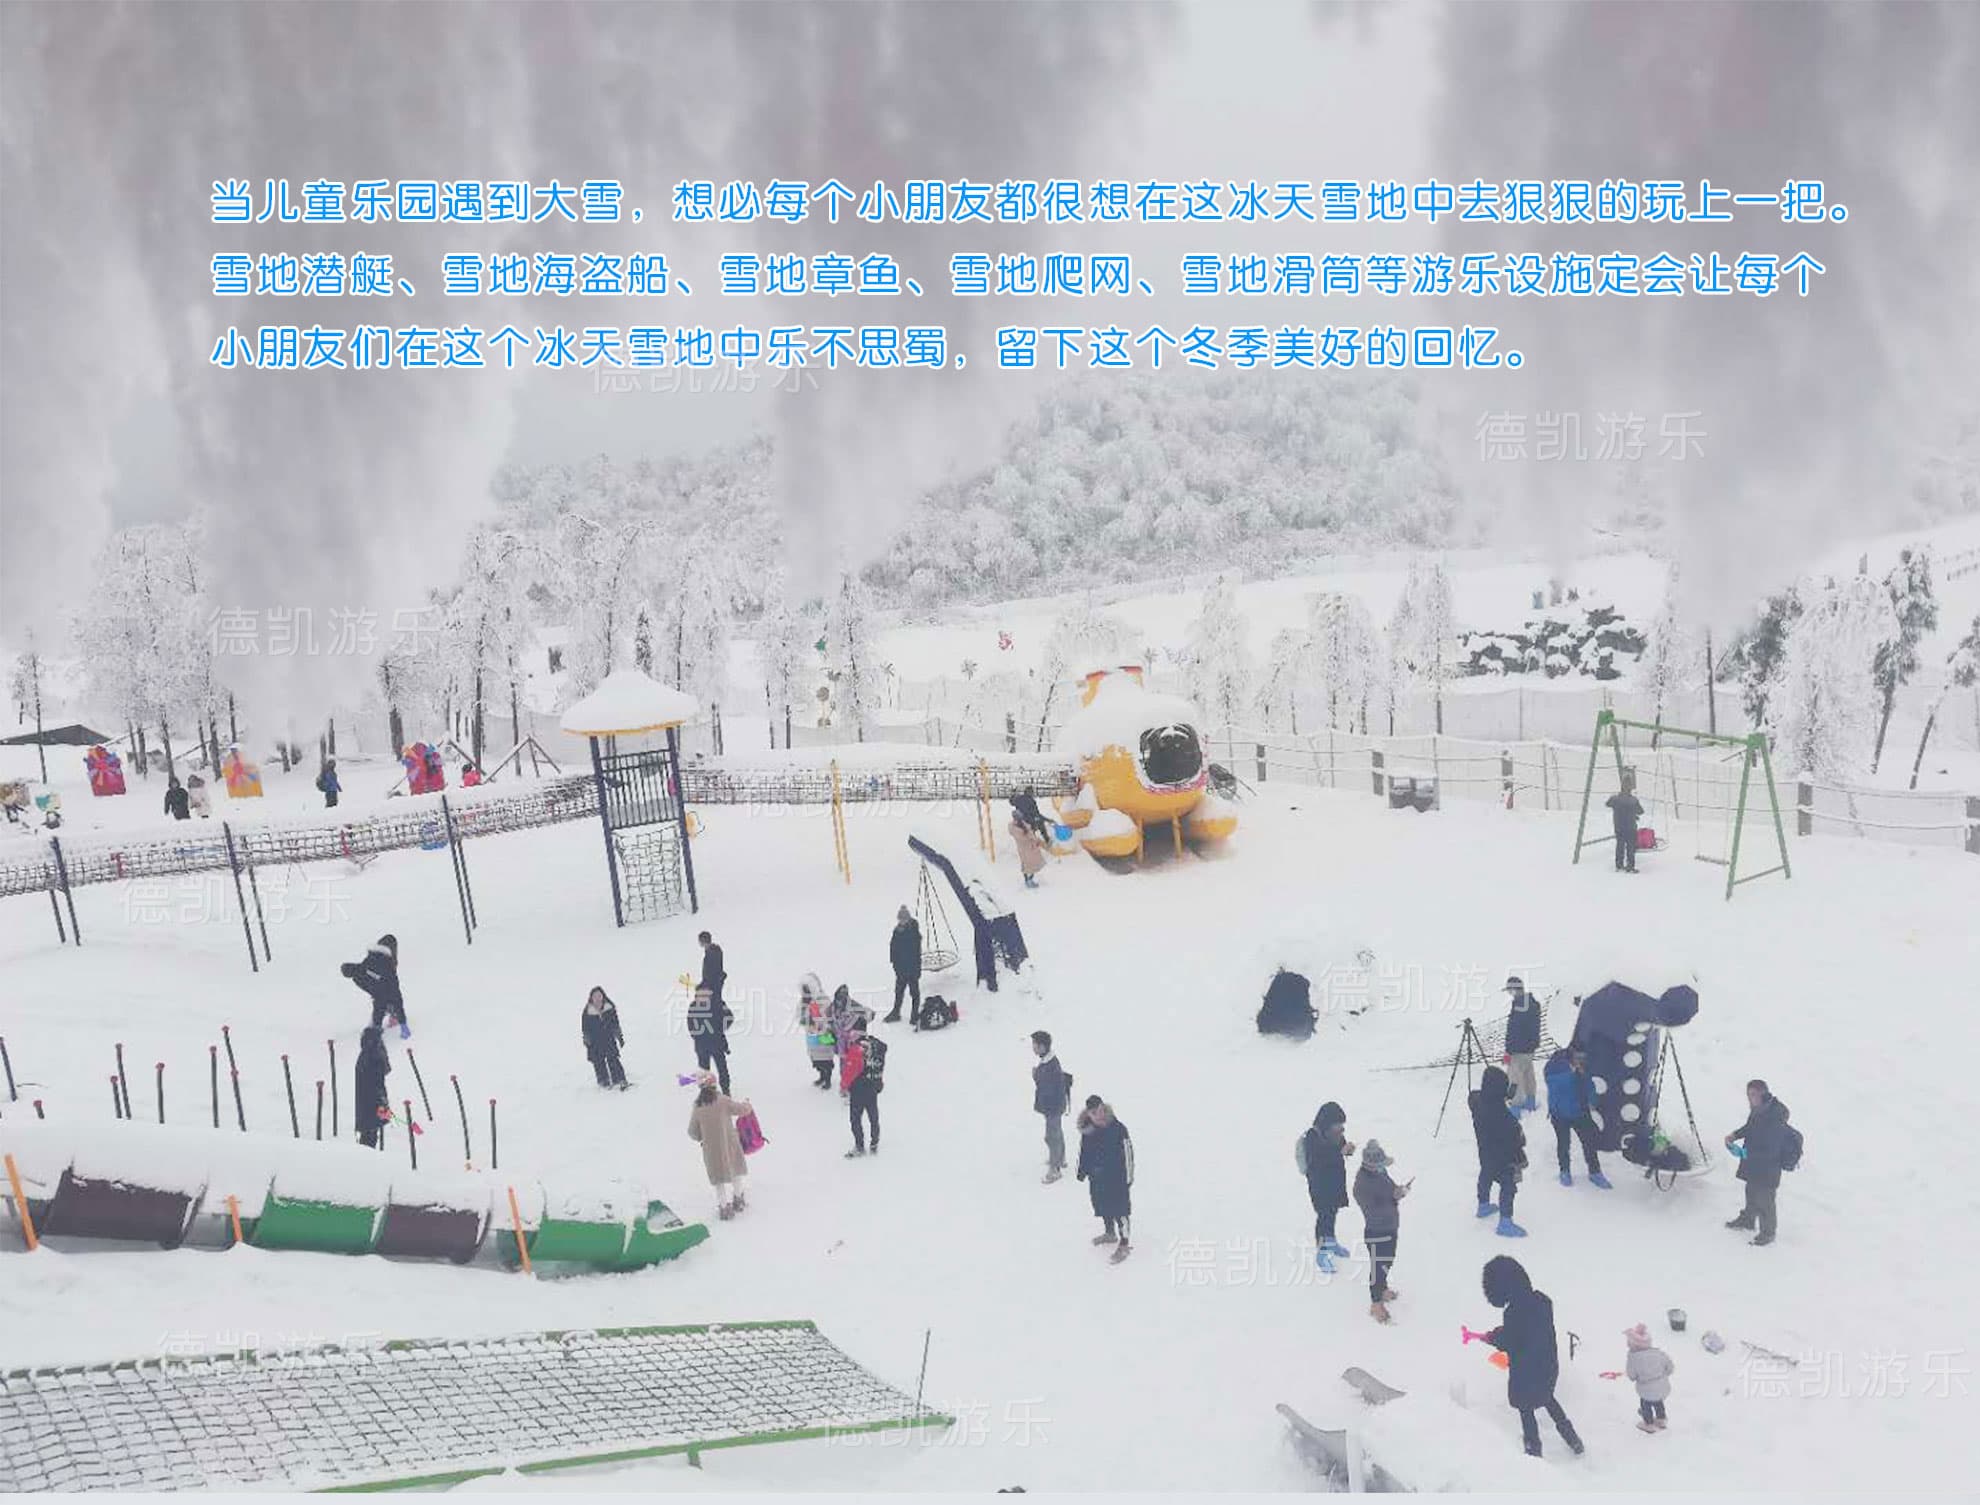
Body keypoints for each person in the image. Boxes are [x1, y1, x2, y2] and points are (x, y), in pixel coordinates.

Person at [1479, 1255, 1584, 1458]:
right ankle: (1573, 1439)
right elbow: (1527, 1330)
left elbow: (1511, 1339)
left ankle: (1533, 1451)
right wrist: (1502, 1333)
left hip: (1525, 1373)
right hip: (1547, 1366)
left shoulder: (1513, 1312)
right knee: (1548, 1399)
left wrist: (1494, 1338)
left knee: (1526, 1410)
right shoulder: (1542, 1302)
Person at [1724, 1078, 1793, 1246]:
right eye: (1748, 1094)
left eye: (1754, 1094)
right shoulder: (1759, 1109)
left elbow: (1771, 1149)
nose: (1750, 1098)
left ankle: (1768, 1233)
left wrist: (1745, 1153)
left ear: (1764, 1094)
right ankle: (1748, 1220)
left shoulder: (1775, 1117)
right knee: (1751, 1192)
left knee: (1765, 1200)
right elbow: (1750, 1128)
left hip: (1768, 1167)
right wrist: (1735, 1135)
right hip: (1754, 1163)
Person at [1470, 1063, 1528, 1237]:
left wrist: (1501, 1096)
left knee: (1485, 1175)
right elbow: (1517, 1139)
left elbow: (1473, 1095)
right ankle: (1505, 1222)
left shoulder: (1477, 1102)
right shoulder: (1504, 1117)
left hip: (1485, 1153)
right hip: (1504, 1159)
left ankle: (1483, 1205)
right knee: (1508, 1186)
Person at [1353, 1140, 1408, 1323]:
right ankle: (1376, 1302)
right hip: (1377, 1232)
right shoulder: (1362, 1184)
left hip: (1390, 1227)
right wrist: (1393, 1197)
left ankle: (1382, 1289)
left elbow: (1389, 1189)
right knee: (1379, 1267)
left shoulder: (1380, 1173)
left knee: (1387, 1261)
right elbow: (1374, 1208)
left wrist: (1397, 1191)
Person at [1076, 1096, 1133, 1263]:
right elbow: (1084, 1152)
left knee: (1120, 1210)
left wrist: (1128, 1178)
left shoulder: (1118, 1129)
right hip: (1097, 1178)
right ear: (1088, 1114)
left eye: (1101, 1110)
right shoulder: (1088, 1130)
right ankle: (1110, 1233)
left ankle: (1124, 1243)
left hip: (1117, 1179)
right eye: (1094, 1113)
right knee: (1102, 1205)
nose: (1099, 1115)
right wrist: (1082, 1171)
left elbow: (1128, 1154)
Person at [686, 1076, 753, 1220]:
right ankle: (738, 1199)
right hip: (730, 1143)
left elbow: (692, 1132)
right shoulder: (723, 1100)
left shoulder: (698, 1106)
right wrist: (747, 1104)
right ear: (714, 1085)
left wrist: (702, 1136)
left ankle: (724, 1208)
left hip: (711, 1149)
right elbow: (742, 1110)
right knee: (735, 1170)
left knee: (718, 1179)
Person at [1544, 1048, 1612, 1189]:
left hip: (1561, 1113)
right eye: (1577, 1059)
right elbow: (1589, 1090)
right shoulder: (1576, 1074)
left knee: (1565, 1144)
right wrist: (1593, 1102)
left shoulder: (1551, 1068)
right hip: (1572, 1113)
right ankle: (1593, 1172)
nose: (1579, 1061)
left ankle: (1567, 1172)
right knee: (1586, 1142)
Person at [1299, 1101, 1354, 1272]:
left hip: (1335, 1183)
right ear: (1327, 1122)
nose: (1341, 1128)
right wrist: (1339, 1152)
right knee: (1324, 1216)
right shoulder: (1312, 1137)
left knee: (1332, 1213)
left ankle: (1331, 1241)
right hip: (1320, 1186)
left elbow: (1340, 1148)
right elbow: (1318, 1160)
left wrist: (1347, 1150)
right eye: (1337, 1124)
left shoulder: (1336, 1135)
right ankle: (1322, 1252)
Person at [688, 932, 733, 1095]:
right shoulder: (707, 1005)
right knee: (713, 1067)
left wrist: (700, 1036)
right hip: (710, 1043)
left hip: (708, 1043)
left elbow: (691, 1025)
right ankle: (716, 1091)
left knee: (712, 1067)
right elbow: (691, 1024)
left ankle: (715, 1091)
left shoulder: (700, 1006)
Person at [340, 934, 408, 1034]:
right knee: (383, 998)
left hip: (372, 986)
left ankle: (386, 1016)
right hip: (376, 987)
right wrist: (403, 1022)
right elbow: (396, 995)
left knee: (382, 999)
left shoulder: (372, 958)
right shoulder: (387, 966)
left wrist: (349, 969)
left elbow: (360, 969)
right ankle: (385, 1018)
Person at [1032, 1031, 1071, 1183]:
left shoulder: (1050, 1065)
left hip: (1052, 1107)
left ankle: (1055, 1169)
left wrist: (1036, 1076)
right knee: (1056, 1132)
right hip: (1054, 1105)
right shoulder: (1047, 1061)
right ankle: (1060, 1158)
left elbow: (1047, 1088)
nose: (1033, 1048)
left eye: (1035, 1045)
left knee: (1052, 1136)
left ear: (1043, 1047)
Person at [846, 1017, 887, 1157]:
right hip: (872, 1086)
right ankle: (874, 1143)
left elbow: (851, 1070)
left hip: (858, 1088)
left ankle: (859, 1146)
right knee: (873, 1116)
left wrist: (844, 1085)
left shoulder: (856, 1048)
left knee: (855, 1118)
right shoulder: (875, 1045)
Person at [1623, 1323, 1674, 1432]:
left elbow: (1631, 1376)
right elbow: (1670, 1367)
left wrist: (1637, 1377)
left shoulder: (1633, 1359)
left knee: (1646, 1404)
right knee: (1658, 1401)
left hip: (1646, 1391)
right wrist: (1662, 1375)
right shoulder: (1659, 1353)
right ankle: (1661, 1419)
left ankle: (1648, 1423)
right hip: (1663, 1387)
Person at [1502, 976, 1542, 1113]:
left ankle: (1515, 1108)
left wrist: (1508, 1051)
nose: (1509, 994)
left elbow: (1515, 1030)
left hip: (1517, 1049)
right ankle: (1530, 1101)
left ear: (1514, 990)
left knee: (1514, 1079)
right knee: (1528, 1074)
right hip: (1529, 1048)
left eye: (1509, 990)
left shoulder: (1520, 1005)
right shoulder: (1532, 1003)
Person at [581, 986, 626, 1089]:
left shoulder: (609, 1008)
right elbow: (585, 1028)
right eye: (595, 996)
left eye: (599, 996)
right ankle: (603, 1080)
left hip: (608, 1039)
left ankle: (619, 1078)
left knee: (613, 1058)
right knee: (598, 1062)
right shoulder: (587, 1012)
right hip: (595, 1042)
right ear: (591, 998)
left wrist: (619, 1037)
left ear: (603, 996)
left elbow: (615, 1024)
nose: (597, 998)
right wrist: (587, 1040)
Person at [354, 1025, 391, 1149]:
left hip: (368, 1102)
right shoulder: (373, 1056)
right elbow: (379, 1078)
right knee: (370, 1134)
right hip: (373, 1100)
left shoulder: (366, 1054)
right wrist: (382, 1101)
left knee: (369, 1132)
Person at [798, 974, 835, 1088]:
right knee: (816, 1059)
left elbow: (829, 1015)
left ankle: (827, 1079)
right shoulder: (804, 1001)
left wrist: (820, 1023)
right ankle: (822, 1076)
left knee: (826, 1059)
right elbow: (799, 1014)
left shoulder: (822, 999)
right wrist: (804, 1019)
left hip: (823, 1034)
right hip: (812, 1035)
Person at [886, 906, 922, 1025]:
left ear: (908, 919)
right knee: (899, 992)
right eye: (900, 919)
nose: (902, 922)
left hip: (912, 968)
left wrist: (917, 969)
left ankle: (914, 1014)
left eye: (904, 919)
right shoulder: (897, 931)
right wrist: (894, 963)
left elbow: (917, 952)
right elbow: (893, 948)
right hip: (901, 969)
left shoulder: (913, 931)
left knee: (914, 993)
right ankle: (896, 1012)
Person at [1606, 775, 1644, 873]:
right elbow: (1641, 811)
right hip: (1631, 827)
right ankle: (1630, 866)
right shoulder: (1633, 800)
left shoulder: (1615, 799)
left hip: (1619, 827)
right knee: (1631, 847)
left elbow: (1608, 804)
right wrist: (1633, 814)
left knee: (1620, 845)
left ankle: (1619, 865)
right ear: (1631, 787)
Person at [1010, 813, 1047, 889]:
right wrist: (1031, 838)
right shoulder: (1014, 828)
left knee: (1032, 864)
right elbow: (1023, 838)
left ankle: (1030, 879)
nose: (1020, 819)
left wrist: (1034, 839)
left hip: (1031, 848)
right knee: (1027, 865)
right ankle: (1028, 881)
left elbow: (1030, 834)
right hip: (1025, 849)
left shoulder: (1023, 824)